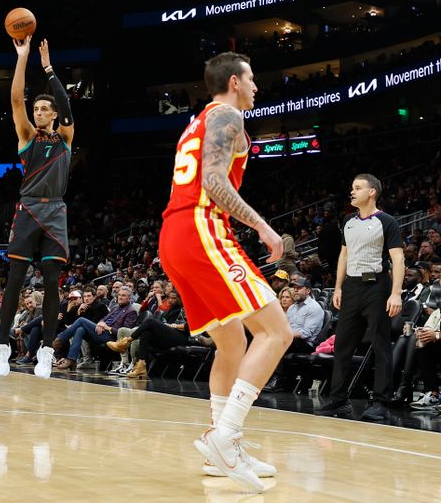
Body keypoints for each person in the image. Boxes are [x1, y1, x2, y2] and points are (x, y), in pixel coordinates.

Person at [157, 51, 292, 493]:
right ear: (234, 81)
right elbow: (214, 182)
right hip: (201, 227)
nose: (257, 87)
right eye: (252, 79)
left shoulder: (199, 120)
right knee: (276, 331)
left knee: (231, 341)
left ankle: (223, 448)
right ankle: (225, 436)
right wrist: (265, 227)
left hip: (175, 233)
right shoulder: (227, 115)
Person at [0, 35, 74, 380]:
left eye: (44, 109)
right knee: (14, 281)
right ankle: (2, 348)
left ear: (54, 114)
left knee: (53, 282)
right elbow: (15, 99)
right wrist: (23, 58)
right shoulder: (26, 135)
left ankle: (45, 350)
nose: (39, 112)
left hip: (55, 212)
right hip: (27, 210)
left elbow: (68, 105)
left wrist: (49, 69)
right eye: (37, 108)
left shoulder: (65, 138)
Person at [316, 174, 404, 421]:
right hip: (352, 287)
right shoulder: (348, 221)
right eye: (352, 187)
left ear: (372, 192)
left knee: (380, 345)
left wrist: (396, 293)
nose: (352, 192)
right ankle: (338, 400)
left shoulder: (386, 221)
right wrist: (338, 287)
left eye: (358, 188)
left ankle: (380, 402)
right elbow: (344, 256)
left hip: (376, 285)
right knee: (343, 344)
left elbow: (398, 258)